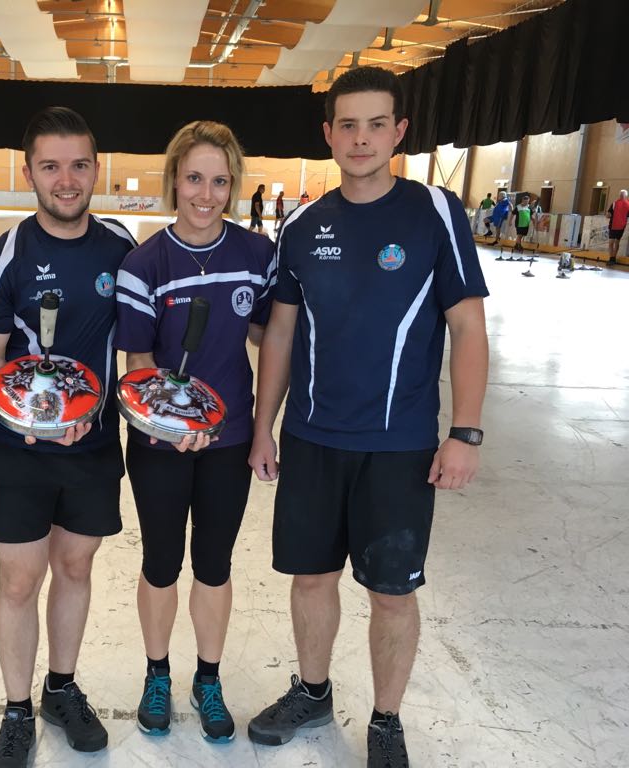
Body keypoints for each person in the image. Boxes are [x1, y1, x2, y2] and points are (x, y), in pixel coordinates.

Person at [246, 66, 489, 768]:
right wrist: (264, 427)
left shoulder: (435, 212)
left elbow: (468, 327)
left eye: (376, 124)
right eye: (347, 125)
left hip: (399, 447)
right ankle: (312, 691)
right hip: (312, 439)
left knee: (391, 594)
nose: (361, 139)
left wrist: (465, 432)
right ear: (328, 134)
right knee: (311, 579)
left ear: (399, 131)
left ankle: (385, 720)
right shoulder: (302, 224)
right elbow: (281, 333)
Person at [0, 106, 136, 768]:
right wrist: (35, 419)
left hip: (94, 446)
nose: (65, 180)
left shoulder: (120, 245)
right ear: (29, 172)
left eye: (78, 165)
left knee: (75, 567)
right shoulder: (5, 255)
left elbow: (140, 344)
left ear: (96, 170)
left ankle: (60, 689)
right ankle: (17, 710)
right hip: (21, 451)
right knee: (20, 581)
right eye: (50, 166)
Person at [114, 120, 276, 744]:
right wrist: (172, 422)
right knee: (161, 563)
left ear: (233, 185)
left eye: (219, 181)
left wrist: (263, 428)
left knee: (213, 563)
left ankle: (208, 679)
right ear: (174, 182)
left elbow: (268, 337)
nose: (206, 195)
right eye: (193, 179)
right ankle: (157, 675)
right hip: (161, 443)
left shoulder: (257, 255)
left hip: (228, 442)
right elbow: (139, 364)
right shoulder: (143, 263)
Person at [607, 189, 628, 265]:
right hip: (613, 225)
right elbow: (609, 213)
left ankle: (613, 258)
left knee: (615, 242)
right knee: (612, 242)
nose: (621, 195)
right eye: (621, 194)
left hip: (620, 226)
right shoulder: (614, 204)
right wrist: (608, 215)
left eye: (622, 194)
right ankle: (611, 258)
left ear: (626, 195)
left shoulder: (627, 204)